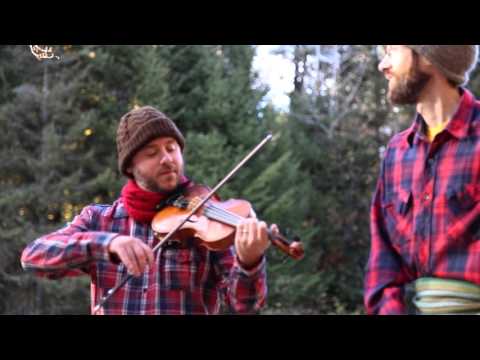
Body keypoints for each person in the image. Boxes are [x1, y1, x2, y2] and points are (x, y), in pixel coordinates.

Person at [21, 106, 274, 315]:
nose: (167, 159)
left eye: (171, 148)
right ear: (131, 166)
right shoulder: (100, 220)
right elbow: (34, 257)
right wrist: (107, 244)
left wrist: (249, 263)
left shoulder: (205, 221)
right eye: (152, 153)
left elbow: (245, 305)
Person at [364, 45, 480, 315]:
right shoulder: (396, 152)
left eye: (392, 51)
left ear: (428, 57)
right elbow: (384, 260)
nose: (383, 65)